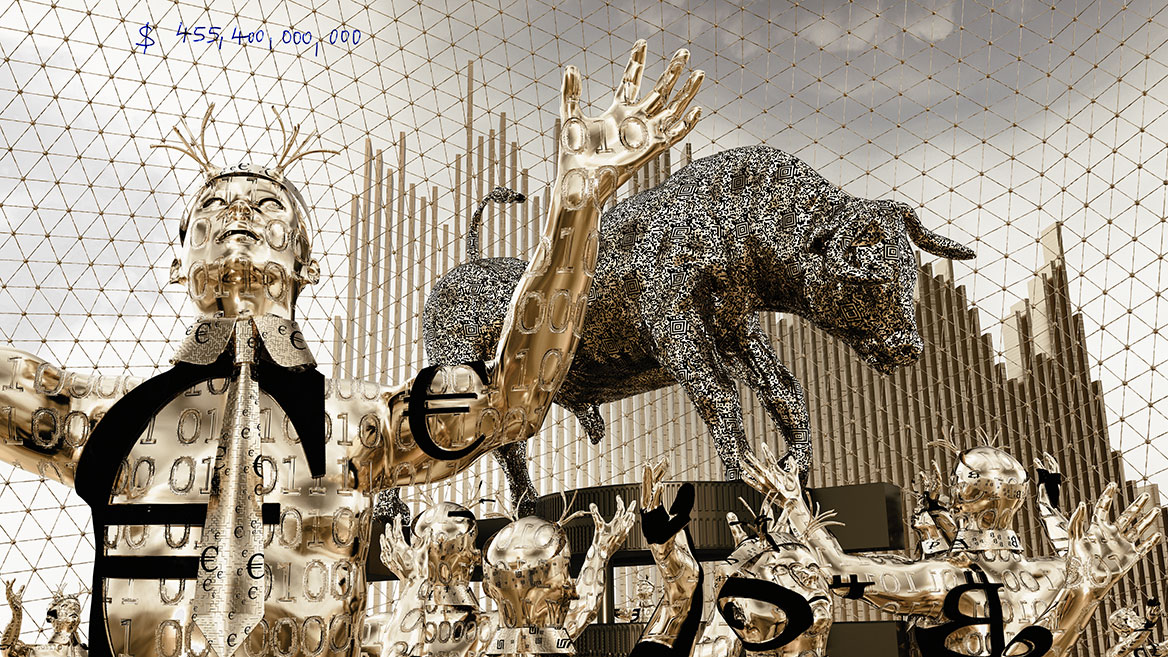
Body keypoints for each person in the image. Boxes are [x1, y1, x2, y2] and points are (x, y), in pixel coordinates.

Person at [0, 40, 702, 657]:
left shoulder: (360, 425)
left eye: (269, 208)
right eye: (210, 211)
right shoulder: (101, 417)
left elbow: (510, 401)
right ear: (179, 265)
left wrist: (577, 201)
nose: (238, 212)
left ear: (306, 265)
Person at [749, 442, 1162, 657]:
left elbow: (838, 570)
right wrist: (1087, 586)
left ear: (959, 500)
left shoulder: (945, 578)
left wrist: (794, 503)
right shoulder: (1056, 574)